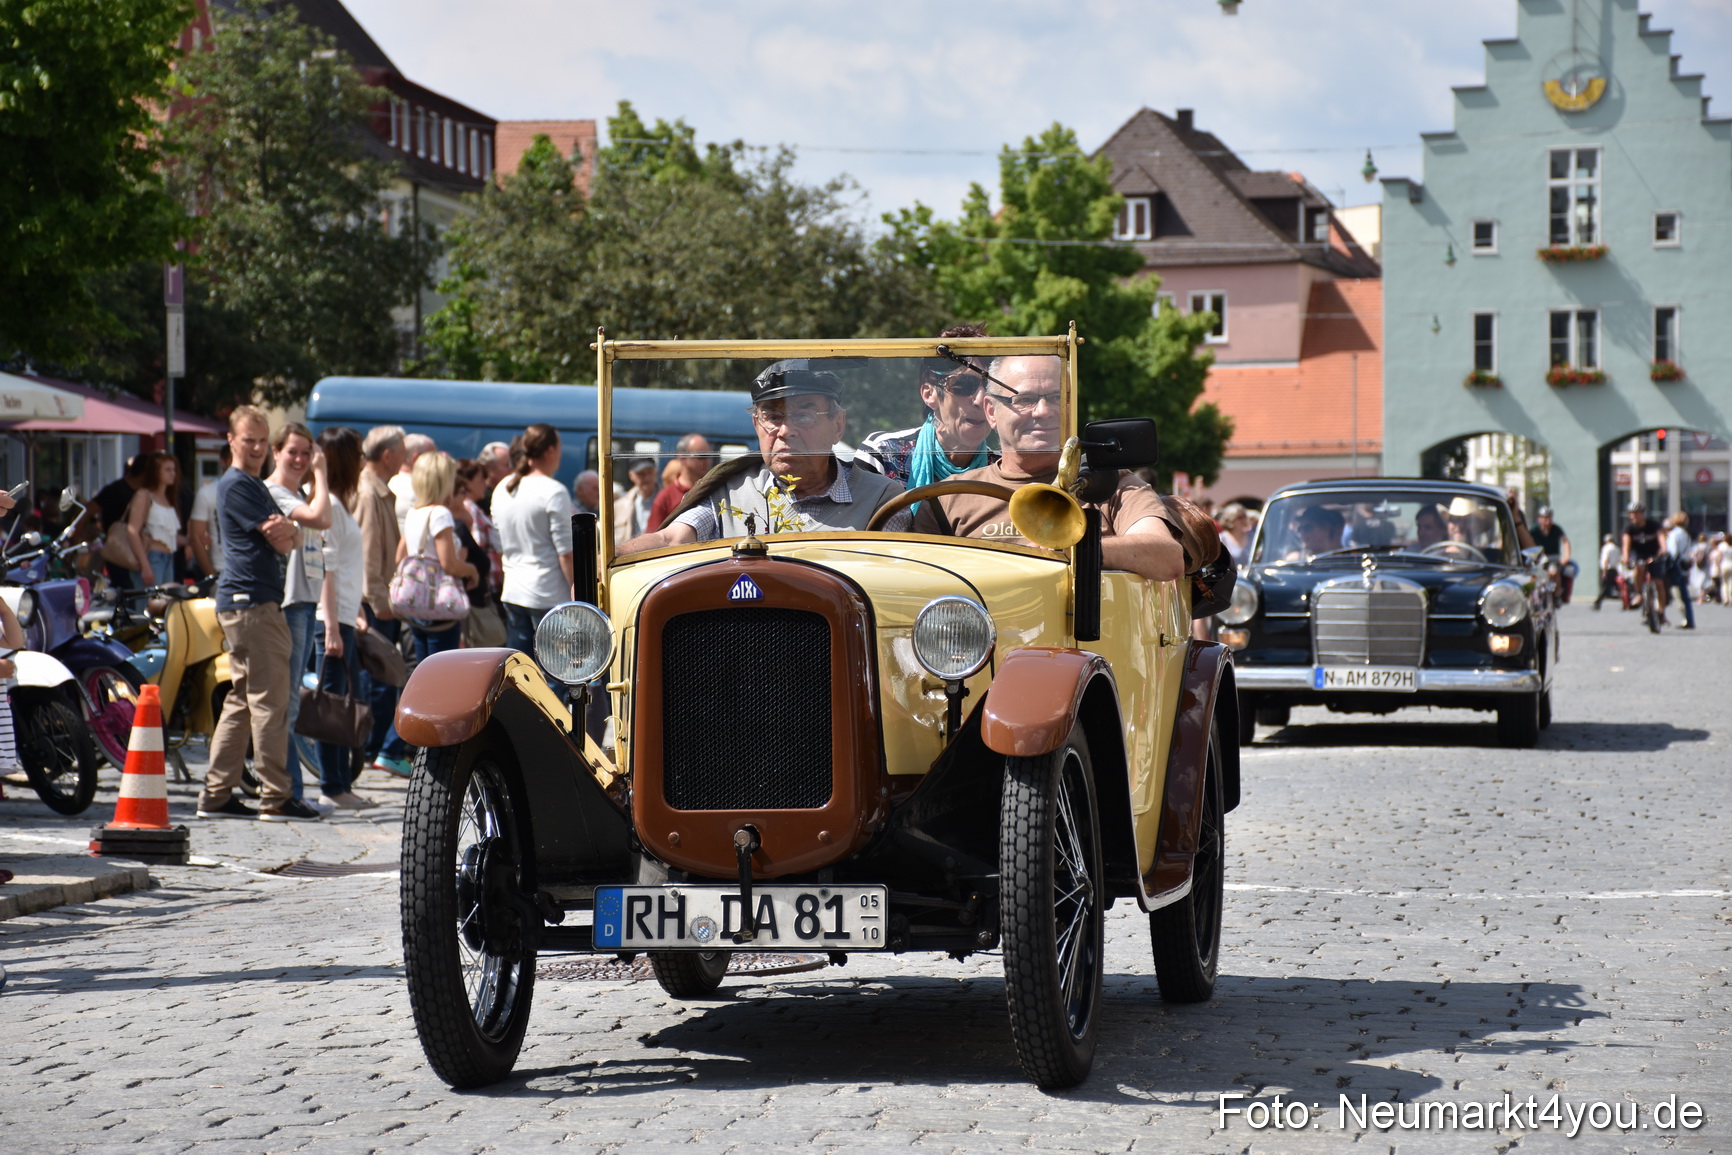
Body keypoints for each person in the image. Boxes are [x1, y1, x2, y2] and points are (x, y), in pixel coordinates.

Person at [910, 354, 1184, 582]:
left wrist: (1076, 550)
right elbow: (915, 581)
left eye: (1056, 398)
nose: (1043, 411)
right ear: (991, 411)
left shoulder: (1110, 484)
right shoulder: (948, 497)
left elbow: (1167, 557)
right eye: (1024, 399)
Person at [621, 362, 909, 553]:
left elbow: (889, 580)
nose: (785, 430)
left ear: (838, 425)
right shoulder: (729, 493)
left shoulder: (881, 499)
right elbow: (670, 539)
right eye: (772, 417)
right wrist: (609, 558)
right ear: (756, 426)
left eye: (804, 415)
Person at [196, 406, 313, 822]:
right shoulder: (238, 484)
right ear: (231, 440)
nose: (258, 448)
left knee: (242, 701)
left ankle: (216, 794)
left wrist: (291, 531)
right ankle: (276, 796)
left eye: (263, 441)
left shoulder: (245, 484)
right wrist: (291, 532)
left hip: (244, 602)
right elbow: (284, 541)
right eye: (250, 440)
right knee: (270, 703)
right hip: (254, 604)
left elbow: (290, 535)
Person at [265, 422, 332, 804]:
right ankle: (288, 790)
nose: (300, 459)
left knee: (291, 700)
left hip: (305, 601)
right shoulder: (275, 491)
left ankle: (290, 788)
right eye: (292, 451)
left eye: (307, 453)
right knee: (287, 702)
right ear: (276, 452)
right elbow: (322, 519)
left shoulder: (300, 493)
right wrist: (321, 472)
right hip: (289, 604)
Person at [312, 426, 372, 810]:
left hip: (344, 614)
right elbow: (325, 568)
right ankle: (332, 786)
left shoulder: (338, 503)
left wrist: (356, 606)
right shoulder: (331, 505)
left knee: (342, 702)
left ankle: (340, 783)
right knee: (332, 705)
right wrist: (332, 625)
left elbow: (343, 567)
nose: (363, 460)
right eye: (358, 454)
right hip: (331, 618)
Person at [856, 323, 994, 488]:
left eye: (991, 387)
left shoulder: (1004, 468)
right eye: (963, 385)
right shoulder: (883, 453)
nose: (981, 399)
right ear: (929, 394)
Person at [493, 424, 575, 654]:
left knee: (521, 670)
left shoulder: (503, 487)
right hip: (548, 595)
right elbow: (565, 553)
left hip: (513, 591)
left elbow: (498, 541)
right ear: (550, 451)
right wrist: (577, 590)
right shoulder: (554, 491)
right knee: (555, 670)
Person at [356, 425, 404, 776]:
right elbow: (368, 553)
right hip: (374, 602)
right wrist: (378, 599)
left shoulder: (378, 490)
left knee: (382, 679)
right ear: (387, 455)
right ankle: (370, 746)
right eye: (402, 451)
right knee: (379, 679)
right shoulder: (369, 492)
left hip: (378, 598)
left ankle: (371, 746)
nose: (406, 458)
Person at [452, 458, 504, 649]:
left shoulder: (473, 509)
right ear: (467, 482)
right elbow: (473, 547)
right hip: (474, 595)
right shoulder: (469, 511)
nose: (485, 483)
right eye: (481, 479)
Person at [124, 452, 183, 588]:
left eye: (174, 470)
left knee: (166, 599)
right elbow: (132, 531)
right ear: (155, 472)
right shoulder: (144, 495)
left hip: (168, 557)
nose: (172, 474)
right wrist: (145, 565)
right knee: (150, 600)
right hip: (152, 557)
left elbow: (167, 534)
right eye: (167, 470)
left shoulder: (168, 498)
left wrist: (191, 540)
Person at [95, 454, 149, 589]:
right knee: (127, 590)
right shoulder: (116, 490)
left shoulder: (148, 492)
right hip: (120, 550)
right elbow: (89, 509)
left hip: (140, 550)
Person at [645, 433, 713, 532]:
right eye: (701, 456)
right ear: (683, 458)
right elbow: (653, 536)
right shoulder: (665, 498)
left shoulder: (714, 489)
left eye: (709, 455)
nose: (707, 461)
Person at [189, 443, 232, 577]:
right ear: (223, 461)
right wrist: (211, 575)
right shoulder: (207, 492)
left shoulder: (259, 490)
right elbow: (196, 537)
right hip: (221, 569)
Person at [1621, 502, 1666, 622]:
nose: (1633, 516)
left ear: (1642, 514)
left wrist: (1663, 550)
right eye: (1631, 514)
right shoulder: (1629, 528)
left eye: (1636, 513)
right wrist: (1626, 558)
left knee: (1659, 583)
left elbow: (1661, 538)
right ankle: (1639, 593)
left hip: (1654, 554)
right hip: (1639, 555)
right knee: (1638, 569)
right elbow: (1626, 545)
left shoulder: (1653, 525)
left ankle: (1661, 611)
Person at [391, 432, 435, 533]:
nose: (437, 464)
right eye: (432, 458)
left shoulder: (389, 482)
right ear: (416, 459)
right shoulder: (418, 491)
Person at [1530, 505, 1573, 602]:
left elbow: (1565, 542)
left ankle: (1556, 594)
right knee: (1532, 576)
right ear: (1539, 519)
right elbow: (1526, 540)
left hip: (1553, 557)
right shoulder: (1534, 530)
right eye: (1544, 518)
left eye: (1549, 518)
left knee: (1553, 572)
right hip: (1539, 557)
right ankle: (1532, 597)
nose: (1547, 521)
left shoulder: (1556, 529)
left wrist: (1566, 556)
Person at [1662, 511, 1697, 629]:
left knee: (1676, 592)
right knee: (1685, 594)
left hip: (1675, 566)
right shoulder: (1686, 534)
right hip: (1683, 564)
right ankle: (1689, 618)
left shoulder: (1674, 534)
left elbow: (1673, 551)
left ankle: (1685, 618)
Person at [614, 460, 658, 542]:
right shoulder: (619, 507)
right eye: (641, 474)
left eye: (650, 472)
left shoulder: (666, 500)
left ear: (656, 473)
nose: (647, 478)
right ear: (631, 475)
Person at [1217, 502, 1253, 568]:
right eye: (1239, 517)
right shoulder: (1222, 539)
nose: (1243, 520)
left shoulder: (1253, 536)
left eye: (1244, 516)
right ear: (1230, 520)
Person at [1592, 533, 1619, 610]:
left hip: (1607, 569)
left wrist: (1604, 571)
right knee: (1617, 586)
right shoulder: (1616, 548)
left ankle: (1597, 602)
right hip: (1614, 569)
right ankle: (1626, 602)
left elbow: (1606, 560)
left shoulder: (1606, 548)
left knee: (1604, 587)